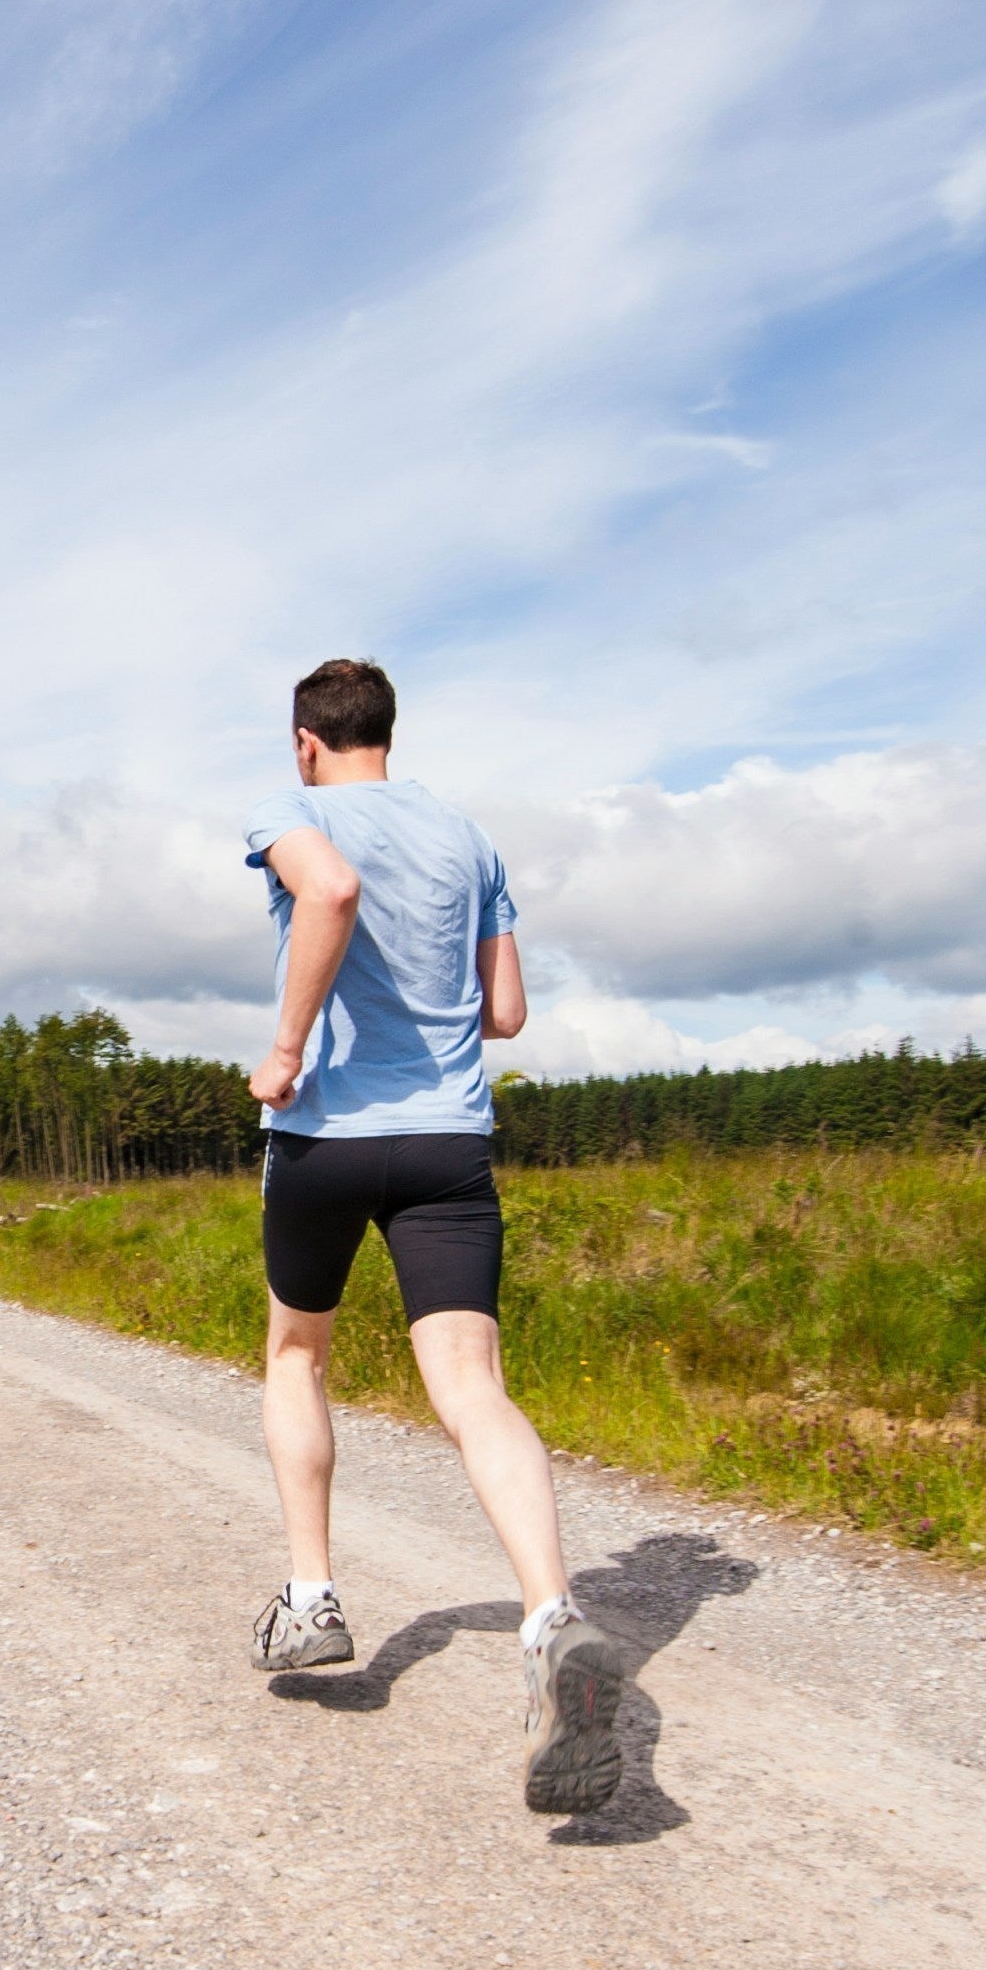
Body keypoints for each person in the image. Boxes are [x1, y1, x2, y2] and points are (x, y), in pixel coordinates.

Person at [241, 657, 632, 1816]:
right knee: (470, 1386)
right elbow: (504, 1011)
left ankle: (311, 1600)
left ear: (306, 741)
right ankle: (552, 1617)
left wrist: (283, 1048)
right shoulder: (468, 839)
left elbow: (329, 893)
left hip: (324, 1138)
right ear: (386, 734)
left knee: (296, 1353)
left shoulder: (292, 811)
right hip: (449, 1143)